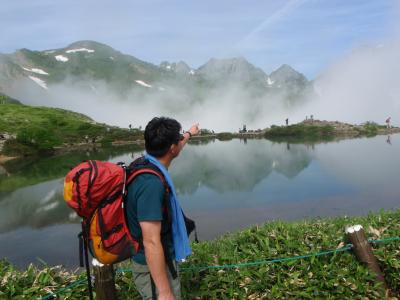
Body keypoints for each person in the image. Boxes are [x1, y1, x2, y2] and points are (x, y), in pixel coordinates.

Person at [126, 117, 200, 300]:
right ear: (171, 149)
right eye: (178, 140)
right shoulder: (151, 185)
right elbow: (150, 241)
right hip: (153, 269)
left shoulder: (147, 162)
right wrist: (165, 292)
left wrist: (190, 133)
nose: (179, 143)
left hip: (160, 261)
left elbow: (177, 145)